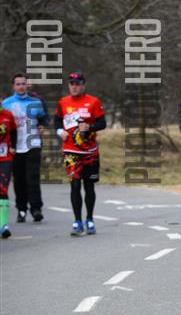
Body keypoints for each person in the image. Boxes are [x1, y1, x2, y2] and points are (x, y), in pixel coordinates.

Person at [54, 72, 106, 236]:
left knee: (89, 186)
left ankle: (89, 219)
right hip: (71, 152)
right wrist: (60, 131)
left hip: (89, 152)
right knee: (75, 185)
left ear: (83, 85)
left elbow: (102, 123)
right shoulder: (63, 102)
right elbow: (57, 120)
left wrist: (90, 127)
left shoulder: (93, 102)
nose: (74, 87)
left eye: (77, 84)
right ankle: (77, 221)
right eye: (71, 83)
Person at [2, 72, 49, 223]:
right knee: (19, 179)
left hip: (33, 144)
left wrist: (41, 126)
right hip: (15, 146)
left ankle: (36, 209)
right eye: (18, 84)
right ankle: (21, 209)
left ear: (27, 85)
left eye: (23, 84)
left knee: (33, 177)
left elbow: (44, 118)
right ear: (13, 86)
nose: (21, 87)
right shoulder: (6, 103)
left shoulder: (36, 102)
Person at [0, 104, 17, 238]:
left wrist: (14, 146)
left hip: (5, 157)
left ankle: (3, 225)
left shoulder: (8, 114)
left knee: (3, 189)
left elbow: (14, 132)